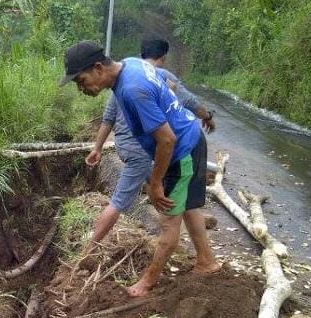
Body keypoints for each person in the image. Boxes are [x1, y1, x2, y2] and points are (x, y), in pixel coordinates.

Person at [60, 41, 220, 297]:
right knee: (188, 206)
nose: (81, 88)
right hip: (191, 137)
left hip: (182, 151)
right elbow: (168, 89)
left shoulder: (133, 89)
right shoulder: (131, 65)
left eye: (81, 80)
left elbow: (167, 140)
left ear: (98, 67)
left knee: (169, 220)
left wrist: (155, 184)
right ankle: (207, 261)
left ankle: (147, 282)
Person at [84, 36, 216, 250]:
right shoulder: (151, 76)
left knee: (171, 193)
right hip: (146, 150)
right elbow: (188, 103)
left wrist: (97, 147)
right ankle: (88, 250)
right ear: (163, 58)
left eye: (81, 81)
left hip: (132, 148)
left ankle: (202, 254)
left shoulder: (129, 68)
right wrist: (208, 116)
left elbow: (109, 118)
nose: (82, 88)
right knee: (128, 199)